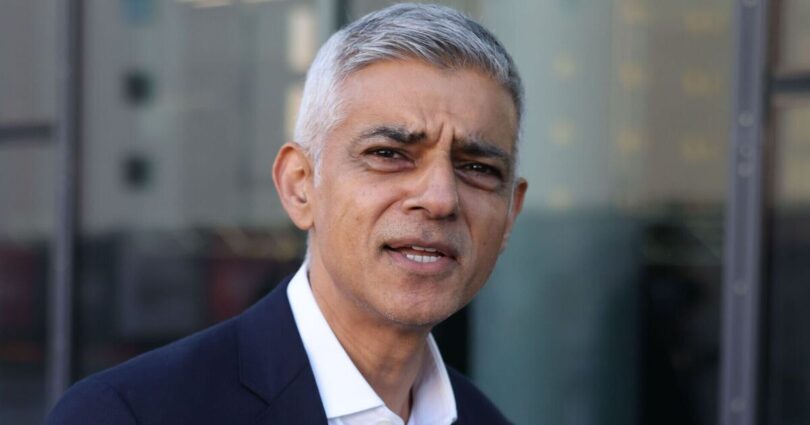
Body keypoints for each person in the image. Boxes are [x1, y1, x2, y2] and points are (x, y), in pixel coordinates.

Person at [47, 3, 527, 424]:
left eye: (477, 168)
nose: (440, 198)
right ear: (300, 186)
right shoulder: (131, 413)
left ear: (510, 214)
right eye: (389, 154)